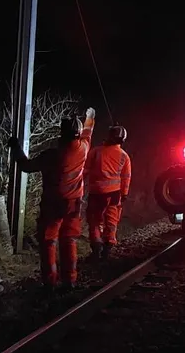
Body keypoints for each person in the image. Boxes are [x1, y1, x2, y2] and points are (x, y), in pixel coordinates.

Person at [9, 108, 95, 291]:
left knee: (49, 241)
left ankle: (50, 282)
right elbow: (88, 134)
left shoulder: (51, 156)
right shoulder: (83, 149)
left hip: (52, 204)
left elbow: (26, 166)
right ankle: (69, 281)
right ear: (77, 135)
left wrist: (16, 147)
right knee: (69, 239)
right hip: (74, 204)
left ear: (61, 134)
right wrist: (90, 118)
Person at [84, 124, 132, 260]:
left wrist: (79, 188)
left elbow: (85, 171)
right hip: (114, 194)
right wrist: (124, 194)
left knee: (94, 220)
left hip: (96, 193)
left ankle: (96, 246)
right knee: (111, 221)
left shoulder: (96, 152)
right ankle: (107, 248)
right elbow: (126, 177)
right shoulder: (124, 156)